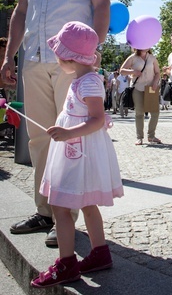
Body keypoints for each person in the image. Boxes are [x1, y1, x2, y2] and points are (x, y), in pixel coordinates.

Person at [1, 0, 111, 247]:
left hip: (71, 65)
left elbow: (100, 5)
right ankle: (45, 212)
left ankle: (66, 217)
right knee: (38, 138)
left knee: (71, 140)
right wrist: (9, 56)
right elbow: (20, 12)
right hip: (32, 58)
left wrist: (92, 51)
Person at [30, 21, 123, 289]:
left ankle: (67, 263)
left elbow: (97, 119)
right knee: (86, 203)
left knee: (60, 205)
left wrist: (68, 133)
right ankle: (100, 253)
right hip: (76, 152)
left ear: (68, 57)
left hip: (78, 154)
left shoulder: (89, 83)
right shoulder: (82, 79)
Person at [120, 48, 161, 145]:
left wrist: (155, 82)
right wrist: (133, 72)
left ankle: (151, 136)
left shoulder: (152, 58)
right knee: (139, 113)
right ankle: (139, 137)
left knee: (155, 112)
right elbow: (122, 70)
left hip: (151, 88)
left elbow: (158, 73)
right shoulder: (133, 57)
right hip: (138, 88)